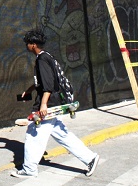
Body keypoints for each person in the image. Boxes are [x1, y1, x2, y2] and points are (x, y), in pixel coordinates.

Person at [11, 30, 99, 178]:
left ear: (33, 45)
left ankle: (29, 169)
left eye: (28, 43)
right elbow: (45, 81)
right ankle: (90, 158)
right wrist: (29, 90)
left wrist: (43, 104)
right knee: (63, 135)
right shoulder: (47, 56)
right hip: (55, 102)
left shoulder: (41, 60)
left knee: (33, 135)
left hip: (48, 104)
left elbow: (48, 85)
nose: (26, 46)